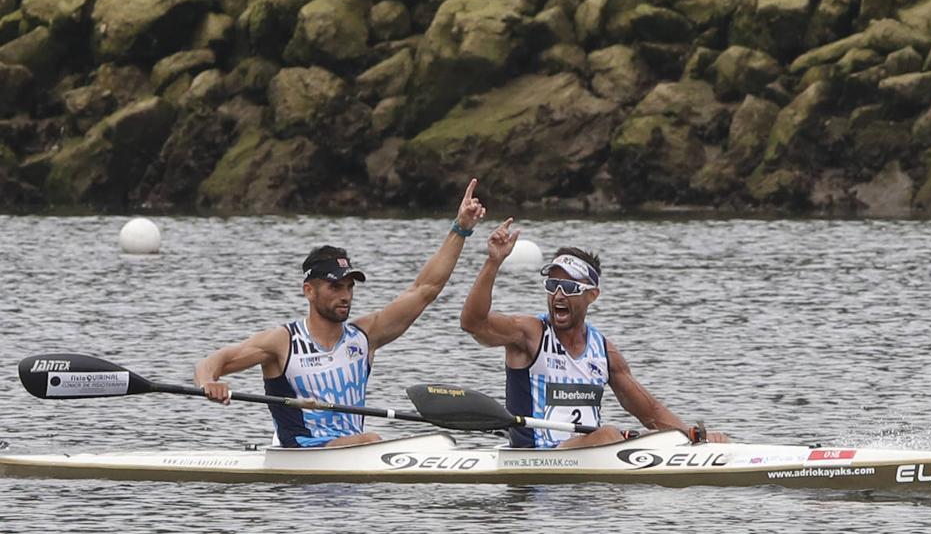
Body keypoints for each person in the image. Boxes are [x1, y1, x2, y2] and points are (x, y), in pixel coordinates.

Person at [194, 179, 486, 448]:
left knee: (373, 440)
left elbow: (424, 289)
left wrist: (460, 229)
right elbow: (214, 361)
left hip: (350, 465)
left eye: (349, 286)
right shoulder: (282, 342)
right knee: (372, 439)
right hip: (303, 459)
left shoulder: (364, 336)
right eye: (335, 286)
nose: (345, 295)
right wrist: (210, 383)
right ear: (309, 291)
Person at [459, 218, 728, 448]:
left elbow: (651, 413)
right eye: (553, 285)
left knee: (656, 437)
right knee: (610, 434)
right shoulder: (529, 334)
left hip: (587, 471)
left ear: (592, 295)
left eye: (570, 287)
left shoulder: (604, 352)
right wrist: (493, 263)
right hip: (537, 463)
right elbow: (473, 323)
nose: (559, 294)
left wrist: (694, 439)